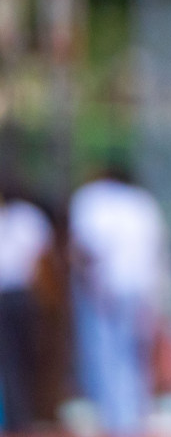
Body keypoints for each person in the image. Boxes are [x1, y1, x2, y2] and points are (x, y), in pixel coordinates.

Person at [69, 164, 171, 437]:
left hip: (105, 286)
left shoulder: (92, 199)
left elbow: (85, 247)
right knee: (135, 356)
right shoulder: (143, 203)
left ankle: (115, 422)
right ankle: (135, 419)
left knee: (105, 355)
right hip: (141, 288)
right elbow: (158, 252)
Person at [0, 178, 54, 433]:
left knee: (13, 359)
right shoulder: (29, 217)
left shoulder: (24, 216)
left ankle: (19, 417)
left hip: (17, 294)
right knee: (19, 357)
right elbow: (40, 261)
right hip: (24, 294)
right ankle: (20, 417)